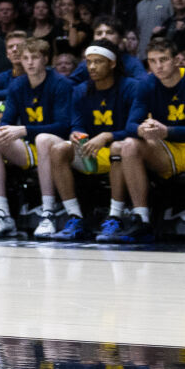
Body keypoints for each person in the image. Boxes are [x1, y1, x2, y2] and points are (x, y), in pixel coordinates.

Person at [0, 37, 73, 237]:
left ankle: (48, 213)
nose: (30, 62)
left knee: (43, 138)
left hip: (60, 145)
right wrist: (4, 130)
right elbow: (6, 120)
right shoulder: (18, 85)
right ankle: (3, 214)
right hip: (30, 147)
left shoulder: (61, 84)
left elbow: (63, 126)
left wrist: (24, 130)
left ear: (45, 59)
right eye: (25, 58)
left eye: (35, 57)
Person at [99, 38, 185, 244]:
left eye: (164, 60)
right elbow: (130, 125)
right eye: (153, 61)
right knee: (128, 144)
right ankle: (141, 219)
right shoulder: (147, 84)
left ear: (177, 60)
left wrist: (167, 131)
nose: (158, 66)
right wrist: (142, 129)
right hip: (166, 150)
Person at [36, 39, 134, 241]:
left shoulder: (131, 87)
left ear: (113, 63)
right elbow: (77, 124)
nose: (92, 67)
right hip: (92, 151)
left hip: (123, 151)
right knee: (59, 149)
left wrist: (108, 136)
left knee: (118, 147)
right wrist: (76, 133)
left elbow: (135, 129)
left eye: (98, 62)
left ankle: (115, 217)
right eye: (88, 62)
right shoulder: (80, 90)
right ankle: (74, 217)